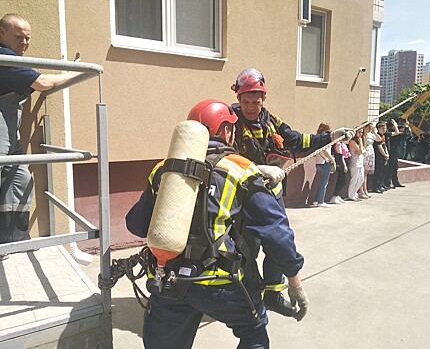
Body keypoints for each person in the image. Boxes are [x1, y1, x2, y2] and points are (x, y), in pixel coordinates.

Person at [125, 99, 309, 349]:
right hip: (221, 283)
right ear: (225, 130)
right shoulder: (240, 169)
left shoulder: (164, 169)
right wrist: (294, 280)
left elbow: (136, 225)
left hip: (169, 280)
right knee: (253, 330)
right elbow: (275, 231)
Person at [230, 68, 353, 314]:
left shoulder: (271, 120)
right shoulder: (230, 121)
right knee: (246, 249)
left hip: (271, 194)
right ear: (238, 99)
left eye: (256, 101)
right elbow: (220, 155)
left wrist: (330, 136)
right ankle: (246, 294)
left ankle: (273, 294)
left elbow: (298, 141)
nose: (251, 107)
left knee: (279, 243)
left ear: (264, 99)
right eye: (246, 102)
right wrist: (257, 168)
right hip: (242, 196)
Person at [0, 14, 81, 258]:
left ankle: (14, 238)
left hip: (5, 126)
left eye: (27, 38)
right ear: (2, 33)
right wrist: (75, 72)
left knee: (20, 178)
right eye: (19, 37)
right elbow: (42, 83)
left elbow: (32, 83)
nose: (24, 42)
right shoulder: (1, 56)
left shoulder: (12, 64)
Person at [310, 123, 335, 207]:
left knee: (321, 182)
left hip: (318, 162)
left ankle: (316, 200)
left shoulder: (318, 138)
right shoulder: (325, 139)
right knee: (324, 183)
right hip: (324, 163)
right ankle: (321, 201)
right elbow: (325, 151)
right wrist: (332, 160)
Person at [360, 123, 381, 198]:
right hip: (365, 153)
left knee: (366, 173)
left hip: (370, 153)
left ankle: (365, 190)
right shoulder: (362, 135)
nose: (369, 129)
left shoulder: (371, 135)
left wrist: (374, 131)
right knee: (363, 173)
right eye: (368, 128)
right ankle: (362, 190)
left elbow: (379, 139)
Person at [385, 119, 404, 188]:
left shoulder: (396, 131)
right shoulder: (389, 132)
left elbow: (404, 133)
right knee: (390, 167)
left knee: (395, 167)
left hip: (395, 151)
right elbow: (397, 132)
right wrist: (395, 124)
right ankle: (388, 182)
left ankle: (395, 181)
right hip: (390, 151)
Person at [347, 129, 365, 201]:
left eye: (362, 132)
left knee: (361, 179)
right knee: (354, 179)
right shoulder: (352, 141)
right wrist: (360, 142)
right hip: (355, 163)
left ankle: (354, 193)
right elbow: (360, 150)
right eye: (359, 132)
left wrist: (361, 150)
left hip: (360, 162)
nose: (361, 134)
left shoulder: (359, 141)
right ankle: (351, 195)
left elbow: (363, 150)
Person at [372, 121, 390, 193]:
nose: (384, 130)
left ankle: (381, 185)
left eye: (385, 128)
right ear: (378, 128)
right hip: (378, 155)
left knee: (383, 170)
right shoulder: (377, 136)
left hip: (384, 155)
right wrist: (384, 154)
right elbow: (379, 147)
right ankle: (376, 186)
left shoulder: (383, 136)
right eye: (382, 128)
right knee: (378, 171)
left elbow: (384, 146)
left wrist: (387, 154)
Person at [330, 140, 349, 204]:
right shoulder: (338, 144)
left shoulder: (343, 143)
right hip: (341, 163)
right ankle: (334, 196)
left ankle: (337, 195)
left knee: (341, 180)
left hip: (346, 161)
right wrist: (344, 165)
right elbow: (340, 156)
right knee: (343, 180)